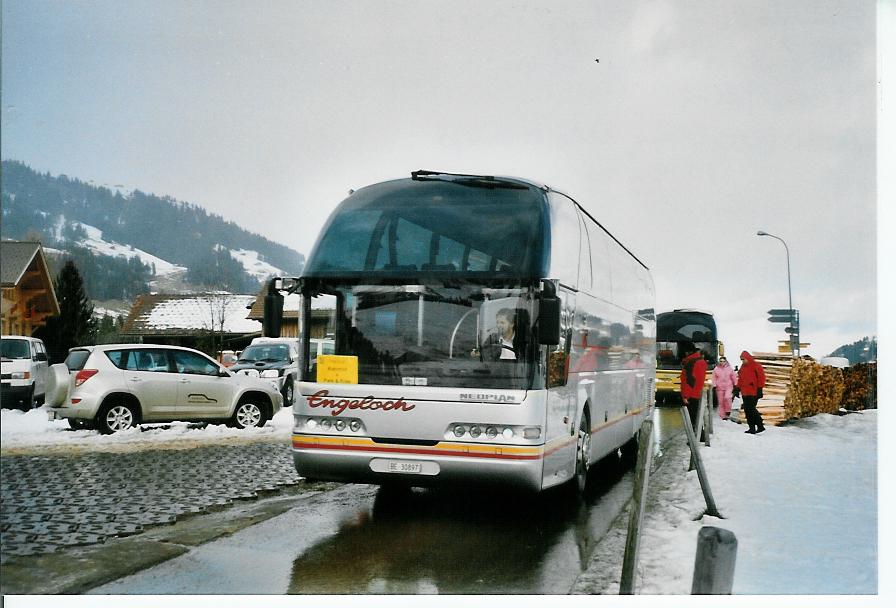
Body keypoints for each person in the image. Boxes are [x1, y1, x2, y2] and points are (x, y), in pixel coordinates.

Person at [733, 350, 766, 434]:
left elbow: (761, 378)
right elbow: (740, 379)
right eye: (742, 360)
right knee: (748, 410)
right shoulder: (742, 368)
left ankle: (760, 425)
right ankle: (752, 427)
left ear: (748, 358)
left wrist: (760, 389)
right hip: (745, 392)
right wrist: (737, 389)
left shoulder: (756, 366)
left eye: (744, 359)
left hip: (753, 392)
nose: (743, 361)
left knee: (751, 409)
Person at [679, 341, 708, 436]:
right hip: (696, 393)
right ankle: (700, 434)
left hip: (691, 394)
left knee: (692, 417)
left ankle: (696, 437)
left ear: (687, 352)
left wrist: (686, 396)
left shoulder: (691, 362)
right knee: (696, 416)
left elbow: (689, 381)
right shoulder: (700, 361)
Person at [712, 355, 737, 420]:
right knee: (721, 402)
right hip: (719, 387)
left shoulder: (730, 369)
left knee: (727, 397)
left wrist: (735, 384)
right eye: (721, 361)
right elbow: (714, 378)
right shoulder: (716, 369)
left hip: (728, 386)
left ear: (726, 362)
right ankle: (723, 416)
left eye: (723, 361)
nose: (722, 362)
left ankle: (728, 410)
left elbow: (733, 376)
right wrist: (714, 385)